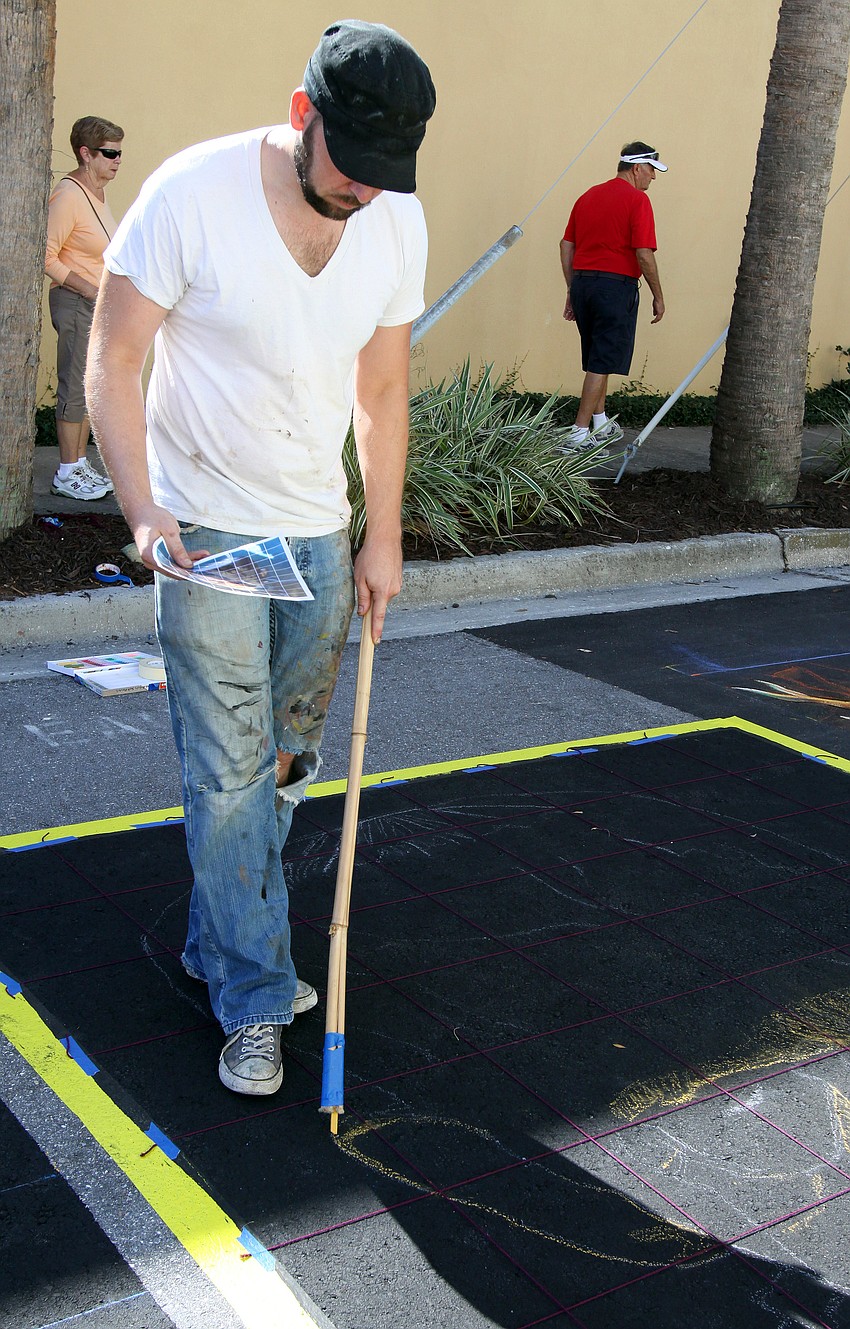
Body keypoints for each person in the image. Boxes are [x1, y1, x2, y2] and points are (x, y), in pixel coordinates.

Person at [86, 21, 435, 1096]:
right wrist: (141, 511)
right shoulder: (189, 195)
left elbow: (379, 392)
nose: (365, 194)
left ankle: (218, 940)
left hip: (319, 534)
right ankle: (250, 993)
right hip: (206, 536)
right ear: (300, 115)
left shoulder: (393, 219)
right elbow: (113, 359)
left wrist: (381, 536)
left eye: (387, 177)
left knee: (283, 765)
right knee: (229, 779)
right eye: (350, 168)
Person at [559, 141, 667, 450]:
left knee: (598, 357)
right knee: (602, 360)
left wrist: (572, 287)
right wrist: (658, 295)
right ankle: (578, 433)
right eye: (651, 171)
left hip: (584, 285)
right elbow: (644, 254)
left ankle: (600, 423)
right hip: (614, 287)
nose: (653, 178)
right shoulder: (638, 201)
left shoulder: (587, 196)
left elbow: (566, 245)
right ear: (637, 168)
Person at [45, 116, 123, 500]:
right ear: (85, 154)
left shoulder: (97, 196)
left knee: (88, 385)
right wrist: (91, 290)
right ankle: (66, 470)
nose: (117, 160)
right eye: (109, 153)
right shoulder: (69, 194)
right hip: (75, 300)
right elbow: (45, 256)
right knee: (74, 384)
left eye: (119, 153)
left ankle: (77, 462)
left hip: (94, 304)